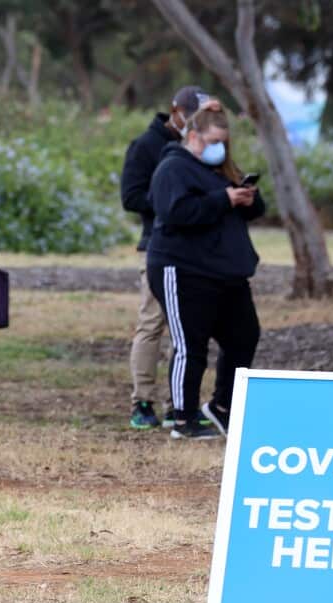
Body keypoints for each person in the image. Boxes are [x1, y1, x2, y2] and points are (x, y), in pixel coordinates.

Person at [147, 106, 264, 440]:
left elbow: (257, 211)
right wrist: (222, 200)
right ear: (194, 136)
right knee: (190, 344)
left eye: (224, 142)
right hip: (182, 268)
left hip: (227, 270)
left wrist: (244, 197)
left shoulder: (221, 169)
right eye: (214, 141)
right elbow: (176, 212)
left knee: (244, 336)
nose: (220, 148)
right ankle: (183, 417)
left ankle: (223, 406)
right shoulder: (172, 168)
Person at [120, 86, 216, 430]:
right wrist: (171, 201)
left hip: (198, 250)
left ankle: (179, 403)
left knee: (187, 331)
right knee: (151, 324)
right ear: (176, 110)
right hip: (160, 246)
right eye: (193, 116)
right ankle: (142, 401)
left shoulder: (206, 146)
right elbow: (130, 196)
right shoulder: (146, 146)